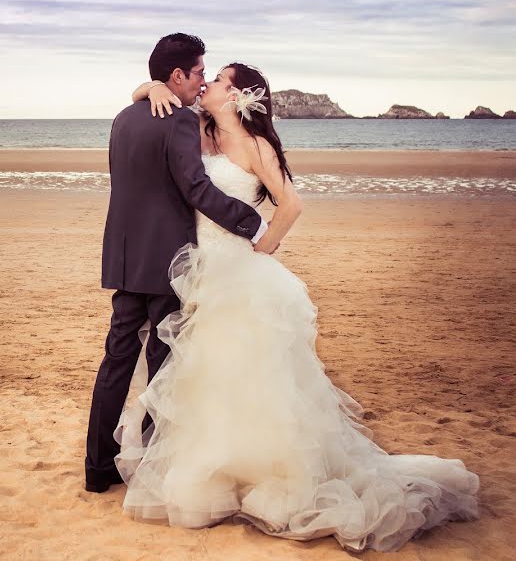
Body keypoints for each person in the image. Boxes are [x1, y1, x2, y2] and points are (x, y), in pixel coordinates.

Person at [110, 61, 480, 552]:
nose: (209, 84)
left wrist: (265, 248)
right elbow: (147, 100)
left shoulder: (256, 147)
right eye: (210, 77)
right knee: (202, 371)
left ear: (239, 96)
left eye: (218, 81)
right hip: (196, 267)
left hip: (236, 268)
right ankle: (213, 463)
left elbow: (292, 205)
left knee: (249, 370)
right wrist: (152, 84)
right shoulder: (199, 131)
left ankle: (259, 468)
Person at [85, 34, 270, 495]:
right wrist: (253, 224)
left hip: (125, 258)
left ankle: (97, 469)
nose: (202, 80)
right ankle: (149, 466)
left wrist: (146, 89)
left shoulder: (123, 118)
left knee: (116, 363)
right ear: (177, 76)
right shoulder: (181, 123)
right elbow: (197, 190)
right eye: (199, 72)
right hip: (167, 261)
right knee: (163, 368)